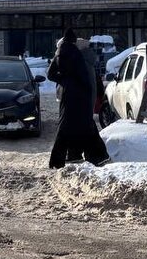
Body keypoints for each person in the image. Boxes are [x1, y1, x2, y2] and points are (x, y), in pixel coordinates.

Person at [47, 28, 110, 169]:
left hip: (67, 95)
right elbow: (85, 78)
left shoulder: (59, 53)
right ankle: (98, 157)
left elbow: (50, 74)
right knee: (86, 126)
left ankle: (58, 160)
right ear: (74, 41)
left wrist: (64, 81)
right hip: (81, 96)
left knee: (65, 127)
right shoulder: (78, 55)